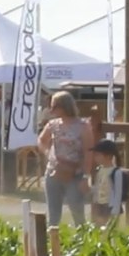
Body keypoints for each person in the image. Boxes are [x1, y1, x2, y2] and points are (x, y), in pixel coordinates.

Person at [38, 90, 93, 226]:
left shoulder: (83, 126)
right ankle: (52, 236)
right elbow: (41, 140)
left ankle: (82, 236)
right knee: (53, 213)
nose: (51, 110)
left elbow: (88, 152)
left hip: (75, 174)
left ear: (65, 107)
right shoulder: (52, 125)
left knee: (77, 211)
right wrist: (48, 153)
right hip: (54, 172)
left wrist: (86, 176)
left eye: (54, 106)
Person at [89, 138, 125, 227]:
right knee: (99, 228)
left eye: (98, 155)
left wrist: (115, 211)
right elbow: (97, 187)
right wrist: (94, 201)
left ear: (108, 156)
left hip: (110, 206)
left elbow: (118, 193)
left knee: (110, 229)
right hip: (100, 205)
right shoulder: (99, 170)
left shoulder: (116, 172)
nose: (95, 157)